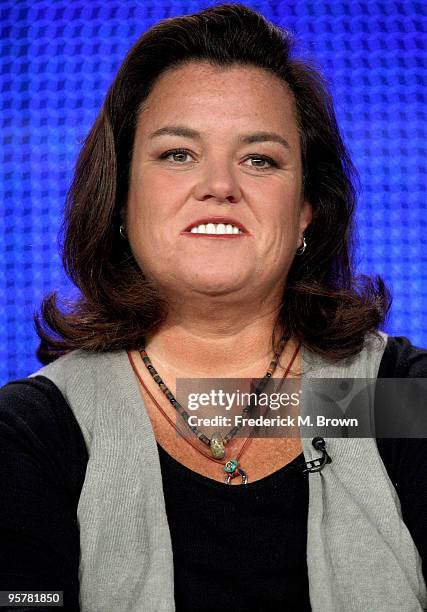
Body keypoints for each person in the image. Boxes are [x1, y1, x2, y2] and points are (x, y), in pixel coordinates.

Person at [0, 4, 426, 611]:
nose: (220, 185)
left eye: (261, 159)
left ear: (307, 210)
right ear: (120, 199)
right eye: (178, 154)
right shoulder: (35, 435)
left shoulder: (397, 401)